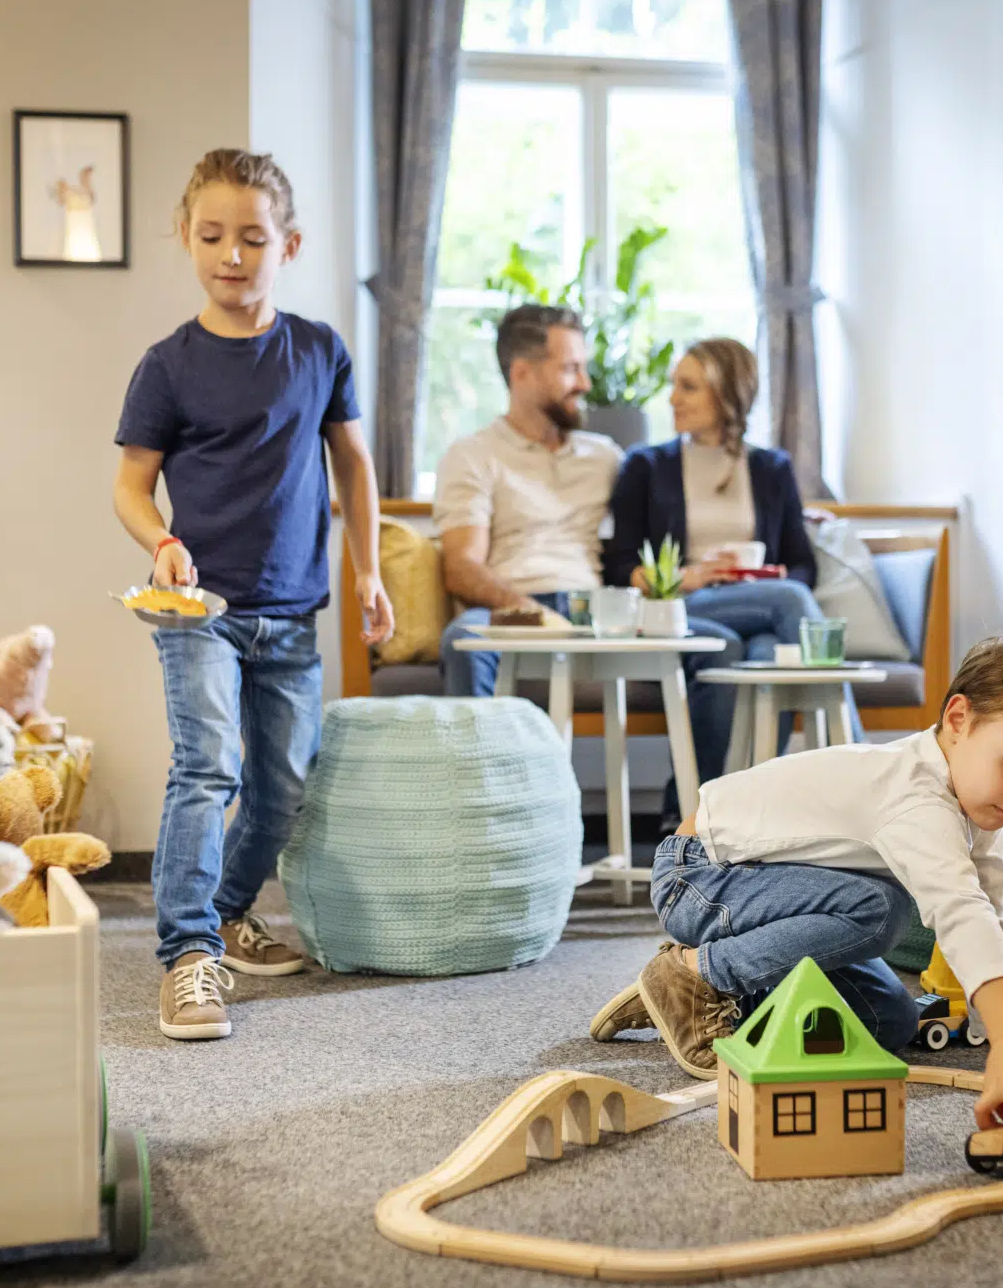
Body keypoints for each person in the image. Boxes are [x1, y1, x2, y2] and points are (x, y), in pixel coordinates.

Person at [593, 636, 1003, 1136]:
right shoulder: (914, 795)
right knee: (881, 910)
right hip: (699, 877)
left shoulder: (979, 811)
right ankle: (697, 975)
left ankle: (674, 991)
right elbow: (959, 910)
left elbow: (992, 911)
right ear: (958, 720)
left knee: (889, 1022)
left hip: (760, 892)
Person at [113, 149, 393, 1042]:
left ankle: (229, 912)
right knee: (207, 767)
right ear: (184, 238)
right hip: (199, 613)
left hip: (293, 611)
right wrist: (161, 541)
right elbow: (128, 486)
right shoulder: (168, 365)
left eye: (252, 237)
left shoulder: (318, 351)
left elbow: (353, 463)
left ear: (290, 245)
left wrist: (369, 571)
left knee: (282, 789)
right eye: (210, 236)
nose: (231, 254)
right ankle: (188, 957)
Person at [603, 338, 854, 825]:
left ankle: (708, 813)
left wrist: (769, 575)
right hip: (679, 606)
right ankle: (863, 775)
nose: (672, 397)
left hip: (755, 607)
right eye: (675, 385)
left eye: (688, 387)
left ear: (728, 395)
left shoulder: (770, 468)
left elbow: (802, 564)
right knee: (790, 601)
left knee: (756, 655)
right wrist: (688, 576)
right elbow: (618, 567)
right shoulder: (644, 466)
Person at [434, 305, 633, 697]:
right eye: (569, 368)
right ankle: (478, 761)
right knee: (463, 641)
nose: (584, 383)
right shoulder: (473, 455)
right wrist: (531, 611)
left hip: (591, 607)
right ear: (521, 373)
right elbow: (461, 567)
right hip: (512, 607)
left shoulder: (606, 457)